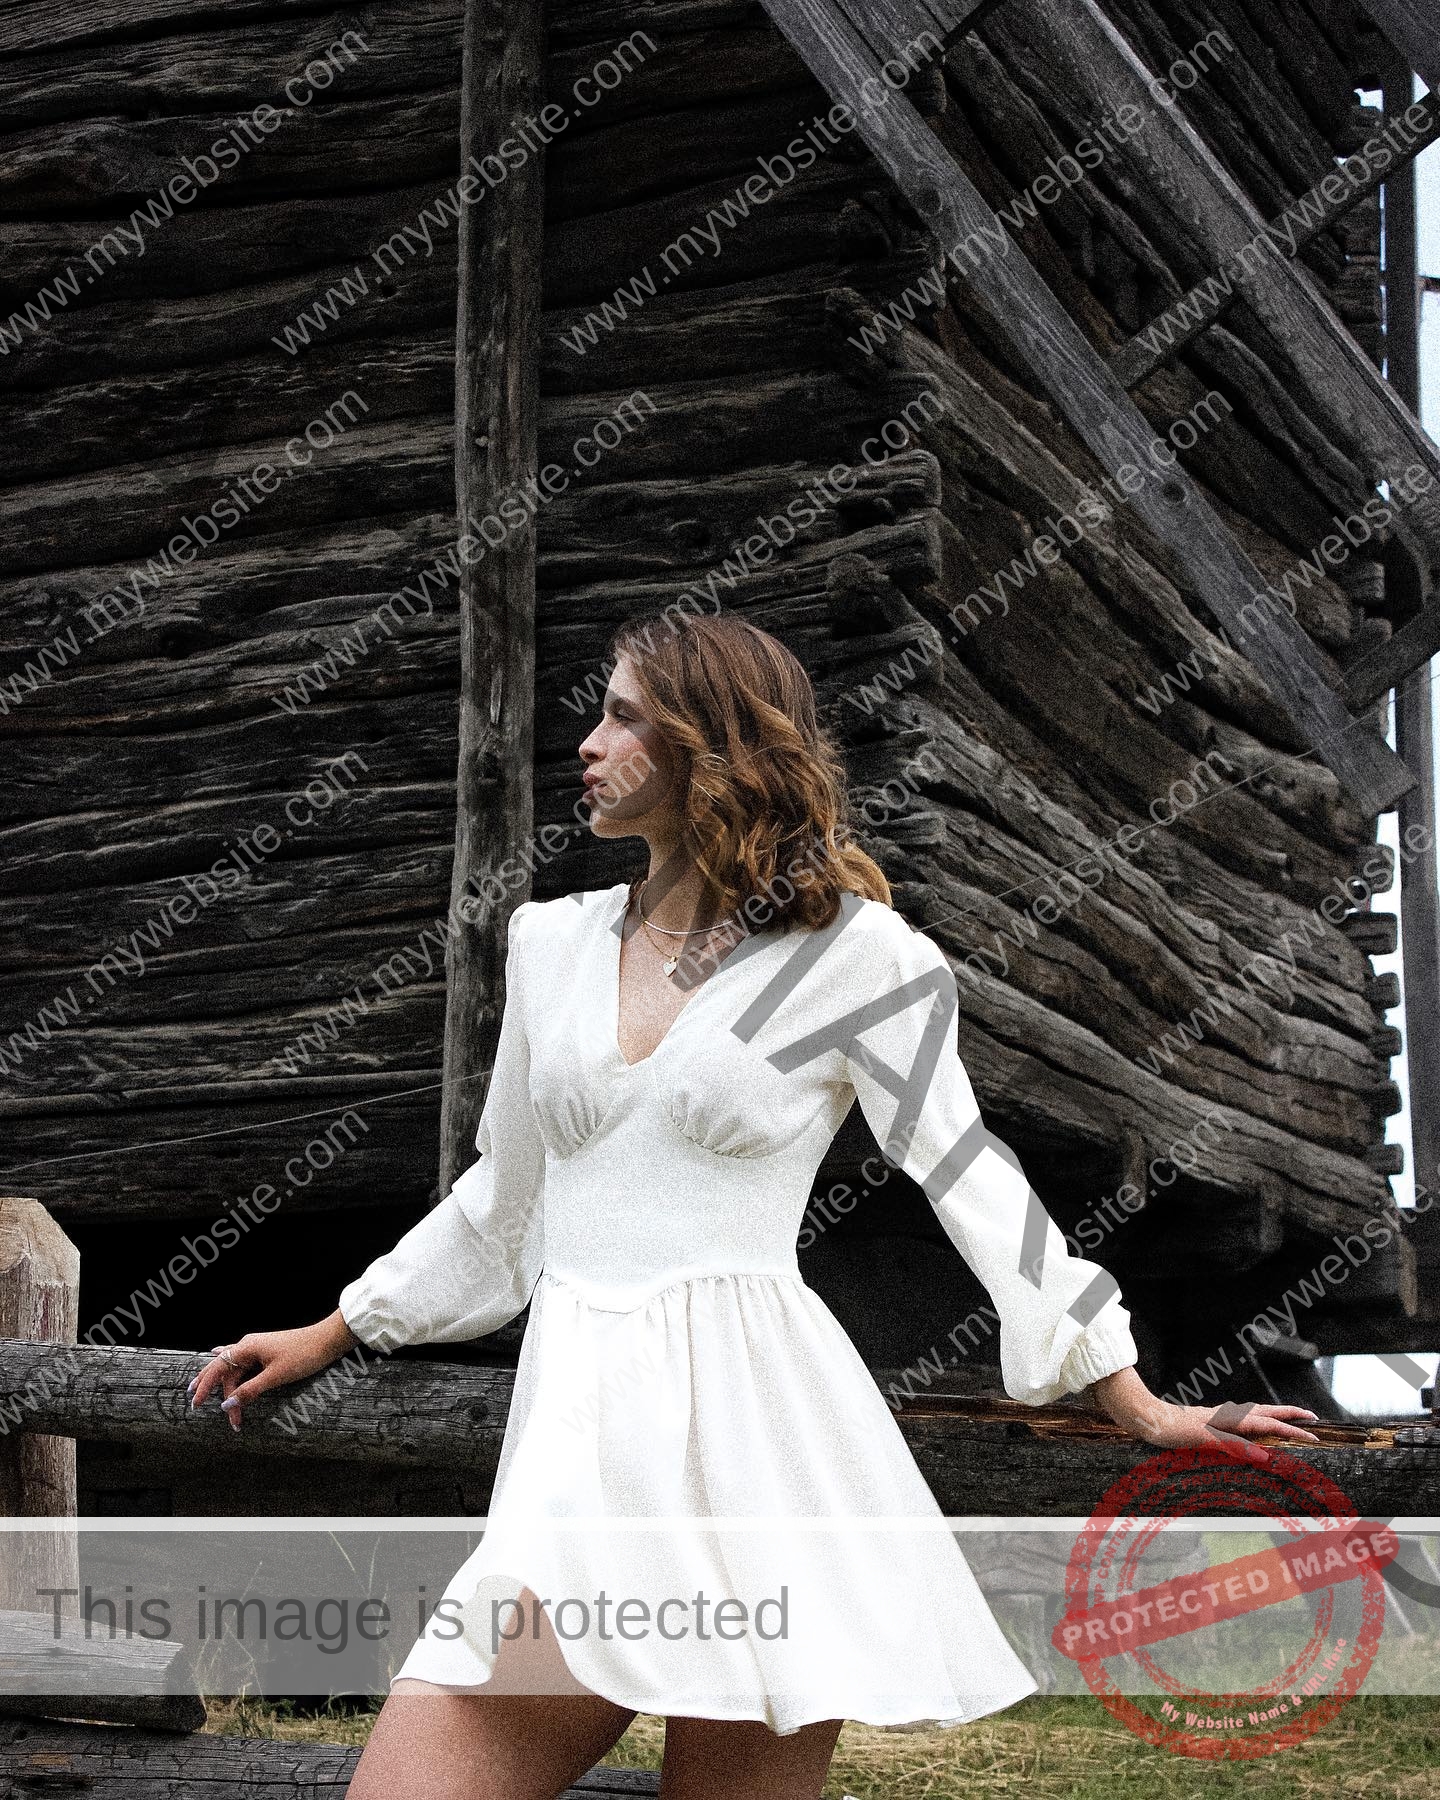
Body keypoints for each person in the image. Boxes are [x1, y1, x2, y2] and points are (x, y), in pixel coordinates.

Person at [188, 610, 1320, 1799]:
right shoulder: (549, 946)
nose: (588, 743)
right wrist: (335, 1326)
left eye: (623, 716)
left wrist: (1131, 1397)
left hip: (765, 1457)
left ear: (708, 744)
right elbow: (503, 1202)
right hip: (578, 1459)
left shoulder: (861, 959)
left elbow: (969, 1173)